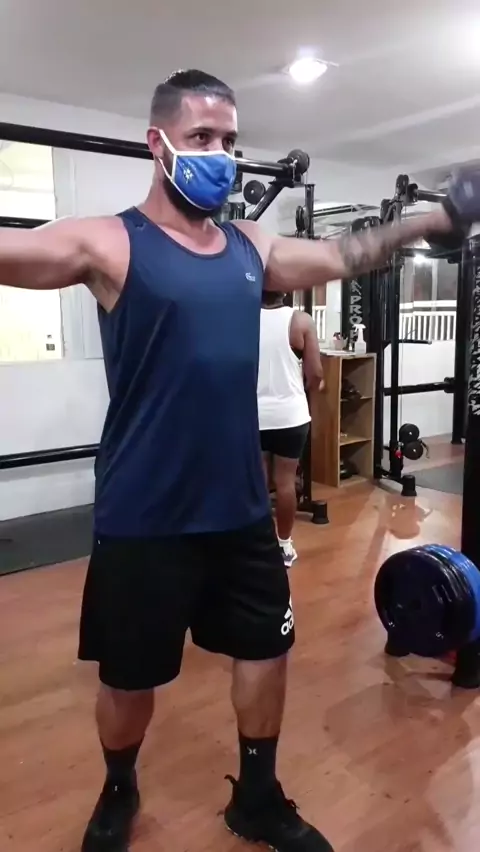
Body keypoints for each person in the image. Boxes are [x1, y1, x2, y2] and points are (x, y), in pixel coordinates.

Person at [0, 68, 476, 852]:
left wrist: (435, 219)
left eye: (228, 139)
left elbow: (344, 253)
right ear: (158, 145)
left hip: (239, 508)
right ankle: (118, 788)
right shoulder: (110, 242)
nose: (219, 154)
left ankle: (257, 797)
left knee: (266, 652)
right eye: (201, 137)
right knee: (129, 678)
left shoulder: (249, 246)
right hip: (144, 512)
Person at [258, 291, 324, 566]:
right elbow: (316, 374)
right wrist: (302, 389)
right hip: (290, 416)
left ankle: (260, 547)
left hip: (255, 416)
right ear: (285, 290)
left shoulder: (243, 317)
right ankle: (284, 545)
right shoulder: (301, 321)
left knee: (258, 484)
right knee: (285, 482)